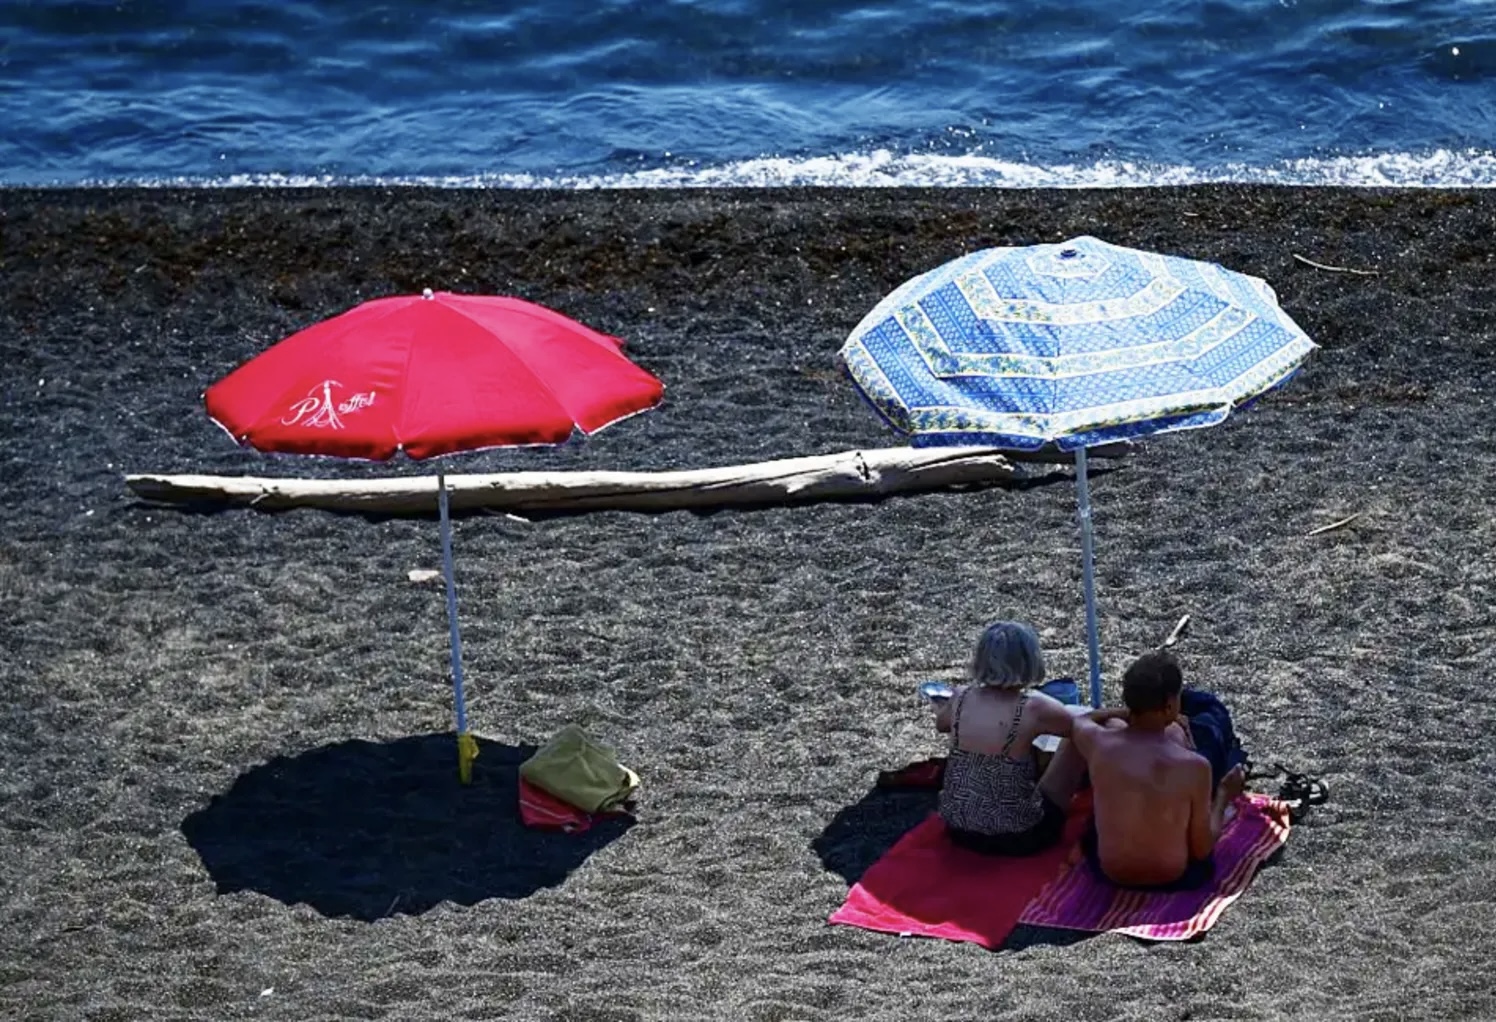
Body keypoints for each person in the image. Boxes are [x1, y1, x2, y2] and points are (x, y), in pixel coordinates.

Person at [934, 621, 1124, 856]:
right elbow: (1081, 725)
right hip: (1020, 837)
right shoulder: (1033, 707)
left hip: (959, 830)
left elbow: (941, 724)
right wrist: (1118, 713)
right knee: (1078, 738)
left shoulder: (961, 697)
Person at [1070, 650, 1246, 890]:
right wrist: (1224, 795)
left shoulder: (1099, 744)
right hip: (1173, 876)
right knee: (1211, 717)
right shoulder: (1194, 766)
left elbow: (1082, 720)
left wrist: (1129, 712)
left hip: (1109, 872)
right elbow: (1202, 849)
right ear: (1170, 705)